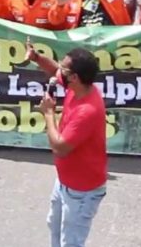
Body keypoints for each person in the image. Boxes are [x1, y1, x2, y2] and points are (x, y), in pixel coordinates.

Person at [25, 43, 107, 247]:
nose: (58, 71)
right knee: (54, 227)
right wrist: (36, 57)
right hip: (65, 183)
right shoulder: (77, 86)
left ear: (75, 77)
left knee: (70, 243)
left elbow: (60, 148)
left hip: (81, 192)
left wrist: (49, 113)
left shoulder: (87, 111)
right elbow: (54, 70)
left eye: (64, 69)